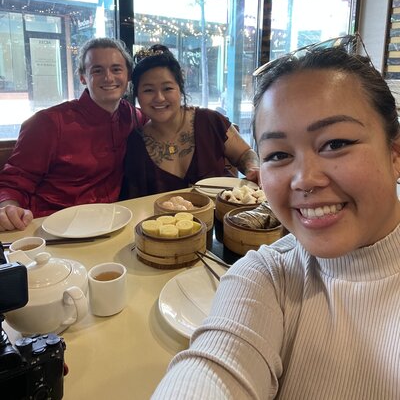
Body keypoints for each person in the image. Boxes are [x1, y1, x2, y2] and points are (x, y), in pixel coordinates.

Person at [152, 45, 400, 399]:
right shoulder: (266, 275)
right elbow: (216, 369)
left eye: (335, 143)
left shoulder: (207, 122)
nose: (304, 179)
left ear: (395, 154)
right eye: (279, 154)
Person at [0, 37, 146, 231]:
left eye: (116, 69)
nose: (108, 78)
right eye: (97, 70)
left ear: (128, 76)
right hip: (51, 227)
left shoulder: (133, 117)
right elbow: (16, 180)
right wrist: (7, 208)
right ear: (83, 77)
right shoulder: (49, 122)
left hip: (111, 222)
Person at [123, 45, 259, 197]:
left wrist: (253, 168)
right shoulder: (136, 142)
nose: (159, 98)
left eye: (167, 88)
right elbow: (135, 201)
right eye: (148, 90)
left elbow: (244, 154)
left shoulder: (209, 121)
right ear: (137, 96)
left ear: (180, 90)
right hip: (170, 220)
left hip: (224, 215)